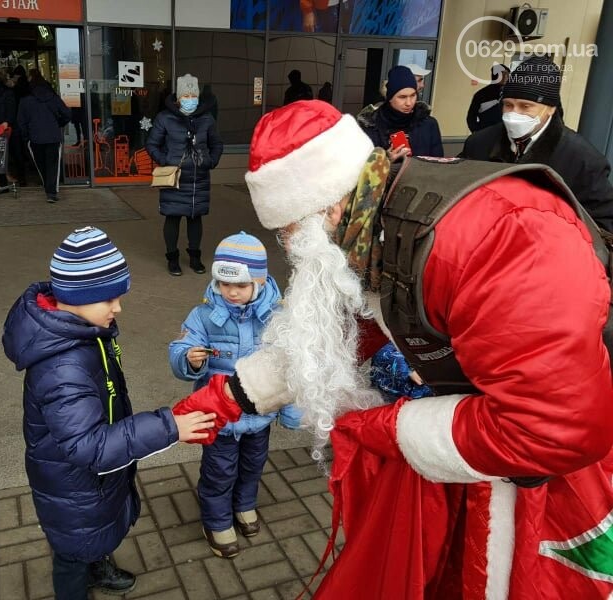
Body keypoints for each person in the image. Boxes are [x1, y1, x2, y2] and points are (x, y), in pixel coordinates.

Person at [173, 99, 613, 598]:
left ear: (327, 205)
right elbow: (344, 328)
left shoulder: (498, 239)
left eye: (288, 229)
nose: (288, 246)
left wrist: (389, 428)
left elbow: (556, 431)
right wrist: (232, 395)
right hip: (485, 449)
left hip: (544, 483)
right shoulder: (379, 217)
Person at [2, 226, 216, 600]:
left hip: (95, 480)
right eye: (109, 300)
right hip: (73, 483)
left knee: (95, 531)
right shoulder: (62, 367)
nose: (118, 308)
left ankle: (96, 561)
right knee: (72, 550)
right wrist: (169, 427)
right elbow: (91, 447)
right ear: (75, 297)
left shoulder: (85, 331)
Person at [168, 232, 302, 559]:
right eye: (224, 284)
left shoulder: (279, 316)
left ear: (259, 281)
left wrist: (291, 409)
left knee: (252, 465)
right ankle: (216, 520)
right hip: (220, 418)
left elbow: (291, 363)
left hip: (259, 416)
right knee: (219, 470)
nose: (231, 292)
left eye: (241, 286)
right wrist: (188, 359)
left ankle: (244, 505)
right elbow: (180, 346)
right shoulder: (202, 315)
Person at [462, 54, 613, 232]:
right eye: (508, 105)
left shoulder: (582, 159)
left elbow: (603, 224)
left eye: (525, 106)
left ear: (550, 108)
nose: (513, 114)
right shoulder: (478, 143)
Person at [146, 74, 223, 276]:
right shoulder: (165, 117)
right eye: (186, 94)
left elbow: (216, 144)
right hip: (175, 177)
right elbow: (152, 144)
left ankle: (195, 258)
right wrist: (165, 161)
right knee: (172, 218)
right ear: (178, 97)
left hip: (199, 178)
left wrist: (211, 161)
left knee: (195, 218)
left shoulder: (207, 119)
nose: (190, 98)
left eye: (193, 94)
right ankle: (172, 258)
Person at [357, 65, 443, 160]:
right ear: (390, 98)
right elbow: (359, 168)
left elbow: (438, 166)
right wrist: (387, 162)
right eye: (402, 97)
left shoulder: (429, 124)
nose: (409, 103)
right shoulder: (369, 126)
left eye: (413, 95)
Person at [17, 70, 71, 203]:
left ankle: (47, 187)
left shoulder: (25, 101)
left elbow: (21, 121)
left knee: (41, 164)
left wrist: (26, 136)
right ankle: (51, 192)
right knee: (53, 164)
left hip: (35, 138)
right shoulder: (54, 98)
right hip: (53, 136)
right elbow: (67, 114)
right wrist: (58, 124)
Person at [465, 63, 510, 132]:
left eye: (507, 74)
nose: (506, 76)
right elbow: (471, 117)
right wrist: (476, 132)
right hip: (486, 133)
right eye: (503, 74)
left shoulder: (511, 94)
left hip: (506, 134)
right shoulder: (481, 94)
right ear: (495, 75)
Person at [8, 64, 31, 187]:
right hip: (29, 123)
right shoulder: (29, 89)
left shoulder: (13, 91)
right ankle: (30, 169)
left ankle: (21, 177)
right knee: (27, 149)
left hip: (16, 123)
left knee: (17, 151)